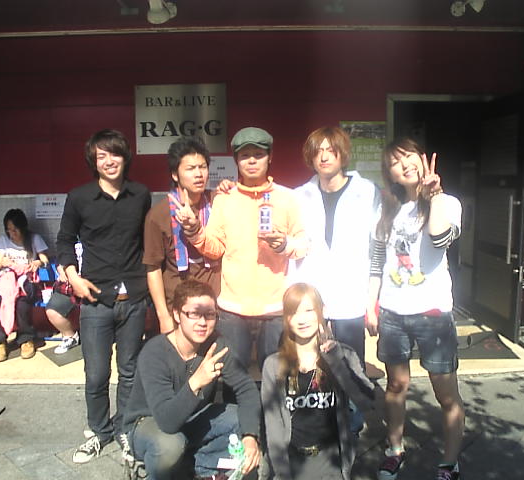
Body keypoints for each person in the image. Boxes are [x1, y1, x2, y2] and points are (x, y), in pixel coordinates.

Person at [366, 138, 464, 480]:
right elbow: (376, 261)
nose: (404, 164)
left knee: (445, 392)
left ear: (423, 159)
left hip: (433, 313)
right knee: (396, 386)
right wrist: (371, 304)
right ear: (390, 173)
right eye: (395, 162)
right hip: (393, 312)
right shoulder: (386, 209)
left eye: (409, 156)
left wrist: (433, 195)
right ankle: (394, 450)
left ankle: (449, 462)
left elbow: (439, 239)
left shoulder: (447, 203)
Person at [173, 127, 306, 370]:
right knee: (233, 375)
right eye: (245, 155)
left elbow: (303, 244)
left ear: (270, 157)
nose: (252, 160)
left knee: (274, 375)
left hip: (275, 306)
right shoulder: (224, 198)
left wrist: (284, 245)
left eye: (259, 154)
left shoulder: (287, 198)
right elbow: (215, 248)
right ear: (236, 160)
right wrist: (194, 230)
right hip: (232, 308)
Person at [56, 129, 152, 463]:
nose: (109, 161)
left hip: (133, 299)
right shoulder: (79, 197)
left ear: (125, 158)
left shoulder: (141, 195)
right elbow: (64, 241)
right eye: (101, 156)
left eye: (115, 154)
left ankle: (125, 429)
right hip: (95, 301)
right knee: (96, 374)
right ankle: (99, 431)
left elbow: (149, 241)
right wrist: (74, 278)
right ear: (93, 162)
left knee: (130, 372)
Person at [122, 279, 261, 480]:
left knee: (242, 418)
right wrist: (196, 382)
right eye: (194, 314)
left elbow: (246, 389)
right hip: (150, 423)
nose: (203, 322)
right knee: (170, 445)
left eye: (209, 315)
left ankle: (194, 468)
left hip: (193, 418)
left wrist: (250, 437)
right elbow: (167, 421)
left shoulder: (217, 345)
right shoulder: (155, 352)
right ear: (177, 314)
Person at [292, 126, 378, 434]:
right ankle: (320, 418)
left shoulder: (367, 191)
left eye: (331, 150)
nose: (324, 157)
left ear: (343, 154)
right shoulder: (299, 195)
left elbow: (378, 245)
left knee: (351, 360)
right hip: (312, 296)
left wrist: (372, 299)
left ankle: (352, 420)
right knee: (313, 361)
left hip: (351, 293)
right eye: (318, 151)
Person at [261, 283, 376, 480]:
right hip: (293, 464)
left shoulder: (343, 354)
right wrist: (280, 472)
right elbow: (273, 426)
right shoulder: (273, 365)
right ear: (286, 318)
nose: (302, 319)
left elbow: (367, 400)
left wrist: (335, 360)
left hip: (331, 462)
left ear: (322, 311)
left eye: (309, 310)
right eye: (294, 312)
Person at [143, 136, 221, 334]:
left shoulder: (218, 202)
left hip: (216, 308)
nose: (199, 174)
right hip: (180, 311)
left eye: (203, 167)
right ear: (175, 174)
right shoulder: (158, 215)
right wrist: (164, 316)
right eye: (190, 168)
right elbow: (153, 268)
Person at [0, 208, 49, 362]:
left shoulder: (34, 239)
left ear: (23, 227)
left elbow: (45, 260)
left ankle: (26, 339)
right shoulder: (3, 241)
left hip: (27, 281)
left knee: (22, 303)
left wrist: (37, 262)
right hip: (7, 281)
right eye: (8, 230)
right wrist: (2, 263)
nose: (11, 233)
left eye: (14, 229)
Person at [45, 264, 80, 354]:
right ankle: (70, 337)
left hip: (95, 285)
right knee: (53, 311)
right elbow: (60, 261)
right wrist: (61, 270)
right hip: (68, 288)